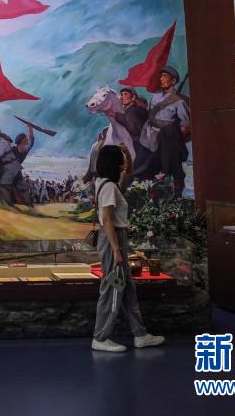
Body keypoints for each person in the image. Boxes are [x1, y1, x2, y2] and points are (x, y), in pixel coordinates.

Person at [91, 144, 165, 353]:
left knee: (127, 289)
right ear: (114, 163)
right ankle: (100, 337)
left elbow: (128, 172)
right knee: (113, 287)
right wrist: (116, 250)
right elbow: (107, 219)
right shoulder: (109, 188)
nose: (124, 163)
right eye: (121, 160)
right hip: (113, 239)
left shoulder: (104, 183)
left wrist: (127, 155)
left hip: (116, 238)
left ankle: (140, 334)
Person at [135, 66, 190, 197]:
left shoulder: (180, 102)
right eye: (161, 76)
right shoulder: (155, 97)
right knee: (141, 166)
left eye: (165, 76)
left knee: (171, 169)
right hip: (148, 138)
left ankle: (174, 194)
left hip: (166, 141)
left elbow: (185, 125)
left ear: (173, 81)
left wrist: (173, 141)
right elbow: (150, 114)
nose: (161, 79)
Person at [0, 125, 35, 206]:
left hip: (15, 171)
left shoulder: (24, 150)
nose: (27, 140)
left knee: (22, 188)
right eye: (25, 139)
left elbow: (31, 143)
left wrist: (30, 129)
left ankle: (28, 205)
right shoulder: (12, 150)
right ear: (21, 141)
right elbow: (2, 159)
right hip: (8, 170)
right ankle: (8, 205)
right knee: (4, 186)